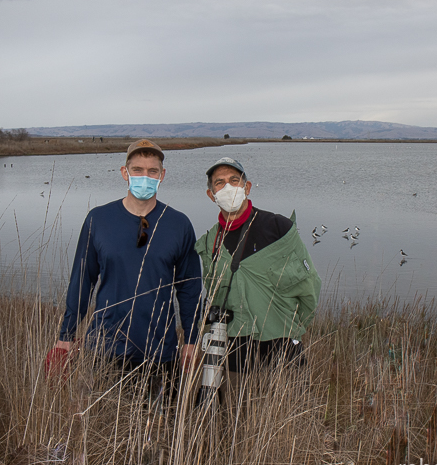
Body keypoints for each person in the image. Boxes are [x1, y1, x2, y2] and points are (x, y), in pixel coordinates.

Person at [54, 139, 202, 396]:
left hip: (159, 352)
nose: (145, 177)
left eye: (152, 171)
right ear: (125, 173)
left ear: (162, 176)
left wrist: (191, 340)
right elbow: (82, 282)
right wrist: (66, 336)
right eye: (138, 170)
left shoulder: (178, 224)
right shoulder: (98, 220)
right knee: (102, 426)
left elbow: (189, 290)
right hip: (105, 348)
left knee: (156, 428)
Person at [194, 157, 321, 376]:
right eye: (219, 183)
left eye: (235, 180)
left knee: (289, 407)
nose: (228, 187)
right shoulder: (209, 241)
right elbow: (211, 292)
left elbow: (310, 287)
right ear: (211, 195)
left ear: (247, 187)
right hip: (233, 355)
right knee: (234, 409)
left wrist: (293, 331)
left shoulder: (278, 228)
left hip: (282, 351)